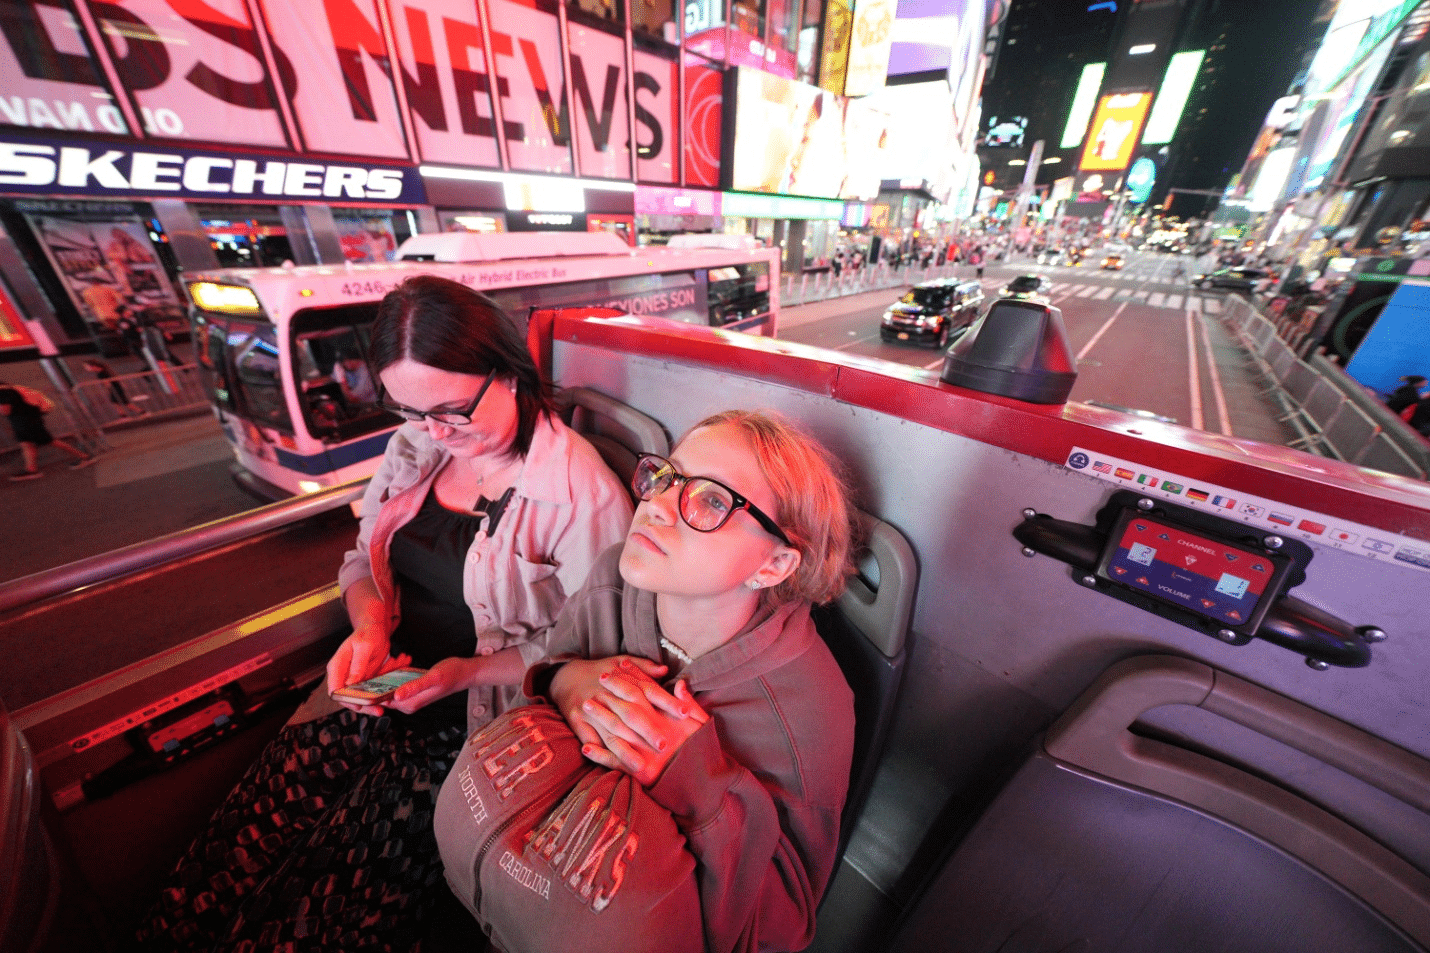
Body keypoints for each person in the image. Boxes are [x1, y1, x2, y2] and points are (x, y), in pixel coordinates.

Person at [135, 275, 634, 952]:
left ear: (509, 372)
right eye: (409, 410)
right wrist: (369, 623)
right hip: (377, 694)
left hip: (472, 733)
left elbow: (586, 651)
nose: (435, 432)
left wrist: (462, 673)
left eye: (453, 410)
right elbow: (361, 564)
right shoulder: (413, 453)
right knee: (235, 847)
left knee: (310, 907)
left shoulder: (580, 494)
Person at [440, 409, 859, 953]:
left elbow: (779, 924)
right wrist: (564, 680)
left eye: (712, 501)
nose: (657, 505)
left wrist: (698, 784)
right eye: (667, 477)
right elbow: (545, 681)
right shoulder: (614, 578)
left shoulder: (809, 708)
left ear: (774, 564)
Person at [0, 384, 95, 480]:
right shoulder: (10, 389)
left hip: (26, 422)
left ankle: (85, 457)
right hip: (26, 420)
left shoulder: (3, 392)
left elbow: (5, 411)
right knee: (27, 444)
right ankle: (31, 469)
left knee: (49, 441)